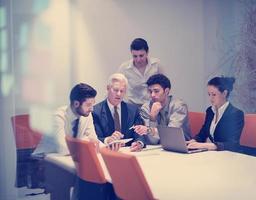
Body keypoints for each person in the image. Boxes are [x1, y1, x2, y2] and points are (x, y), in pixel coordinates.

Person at [33, 83, 101, 155]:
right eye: (88, 105)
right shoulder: (58, 117)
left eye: (92, 104)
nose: (92, 109)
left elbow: (94, 142)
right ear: (76, 104)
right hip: (43, 158)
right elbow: (64, 149)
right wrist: (84, 142)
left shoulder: (87, 115)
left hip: (69, 157)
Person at [186, 76, 244, 151]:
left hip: (229, 156)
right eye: (209, 94)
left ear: (224, 93)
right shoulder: (210, 111)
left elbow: (232, 144)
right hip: (214, 154)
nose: (210, 98)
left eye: (214, 95)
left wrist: (206, 145)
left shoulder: (235, 114)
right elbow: (203, 133)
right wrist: (193, 141)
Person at [92, 73, 145, 151]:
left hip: (130, 151)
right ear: (108, 88)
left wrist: (139, 143)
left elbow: (139, 133)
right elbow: (94, 138)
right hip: (107, 152)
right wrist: (107, 140)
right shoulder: (95, 111)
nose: (119, 94)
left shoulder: (133, 110)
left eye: (122, 91)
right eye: (116, 90)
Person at [134, 73, 191, 144]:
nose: (152, 95)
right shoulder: (146, 108)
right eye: (150, 91)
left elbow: (171, 135)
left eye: (156, 91)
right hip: (157, 149)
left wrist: (150, 130)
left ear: (166, 91)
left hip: (181, 148)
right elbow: (153, 141)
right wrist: (152, 118)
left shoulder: (179, 106)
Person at [118, 38, 163, 106]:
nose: (138, 60)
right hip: (132, 106)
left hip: (153, 104)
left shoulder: (156, 65)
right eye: (135, 56)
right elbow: (115, 86)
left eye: (141, 56)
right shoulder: (125, 68)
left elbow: (165, 85)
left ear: (147, 53)